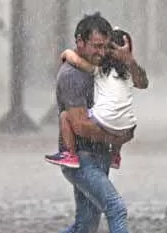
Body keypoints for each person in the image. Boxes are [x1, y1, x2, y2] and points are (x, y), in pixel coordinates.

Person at [18, 13, 167, 233]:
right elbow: (78, 124)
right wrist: (118, 137)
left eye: (105, 47)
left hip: (100, 158)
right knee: (116, 208)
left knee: (86, 226)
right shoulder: (71, 76)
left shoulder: (102, 67)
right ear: (79, 42)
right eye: (95, 46)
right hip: (81, 159)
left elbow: (142, 82)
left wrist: (127, 60)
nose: (101, 53)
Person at [45, 27, 138, 170]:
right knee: (119, 118)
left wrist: (67, 53)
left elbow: (76, 61)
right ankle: (115, 155)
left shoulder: (99, 71)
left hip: (104, 123)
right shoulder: (128, 74)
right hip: (128, 126)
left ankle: (69, 154)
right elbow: (143, 82)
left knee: (65, 116)